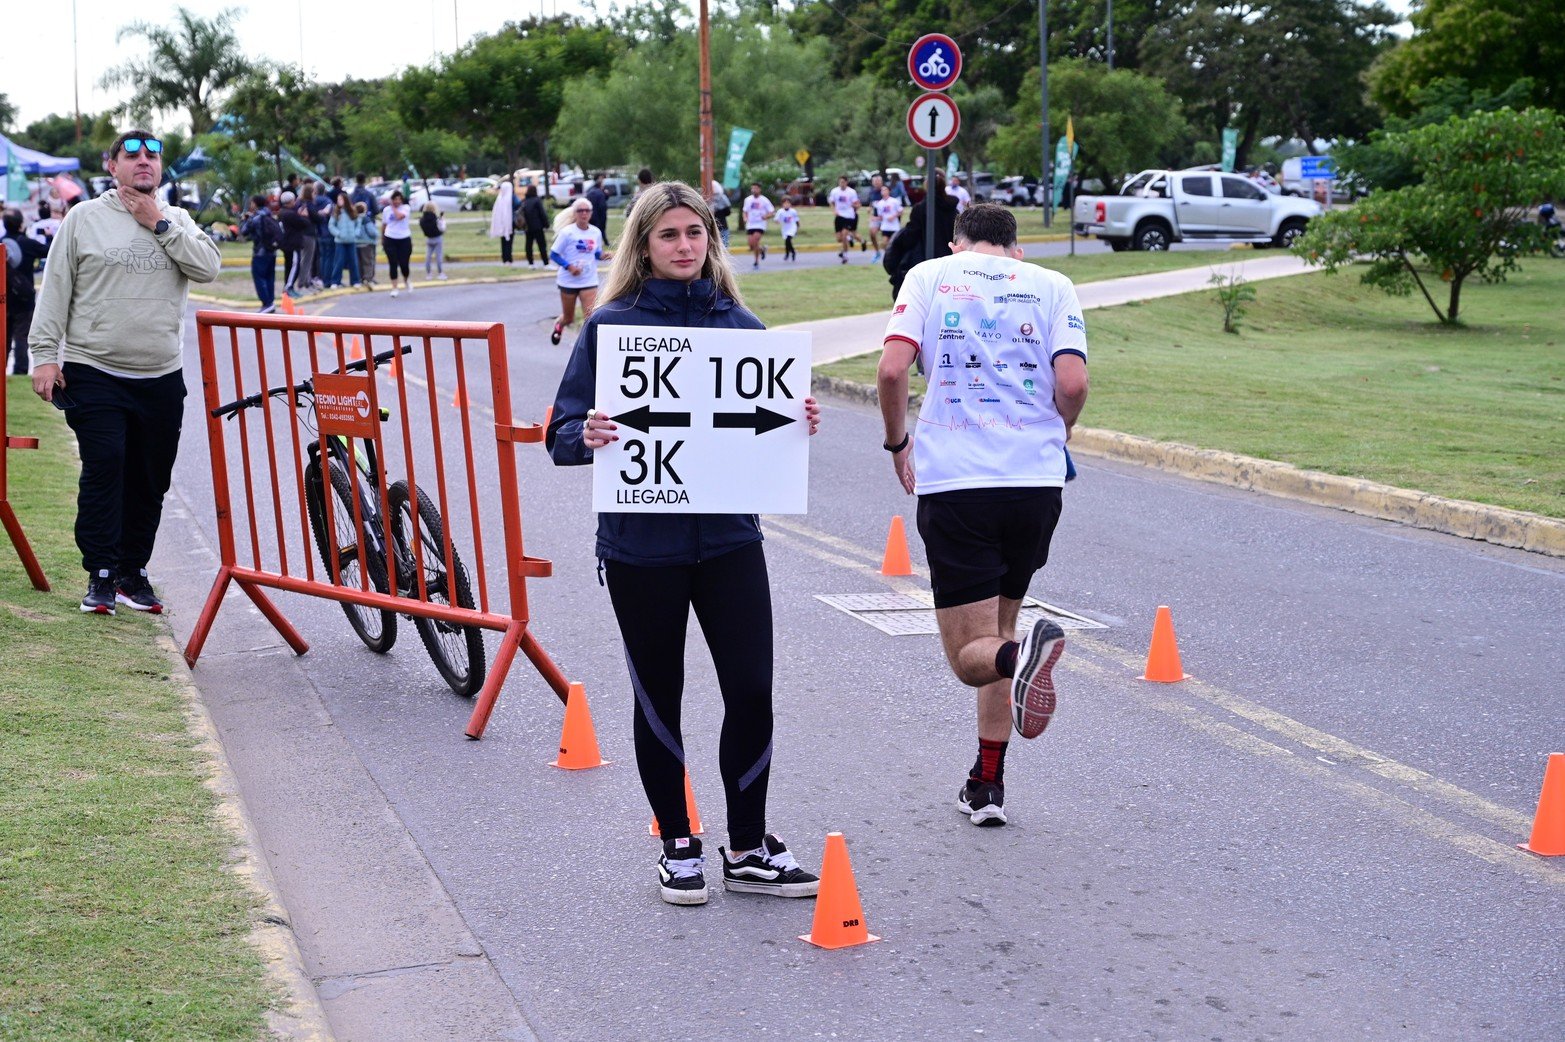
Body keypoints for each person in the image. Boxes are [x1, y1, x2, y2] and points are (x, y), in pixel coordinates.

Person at [545, 180, 823, 906]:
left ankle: (748, 848)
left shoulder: (743, 325)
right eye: (668, 234)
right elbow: (560, 433)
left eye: (694, 233)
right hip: (641, 550)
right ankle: (678, 845)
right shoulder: (610, 328)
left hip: (730, 542)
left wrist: (797, 421)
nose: (684, 246)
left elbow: (764, 426)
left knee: (752, 692)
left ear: (711, 239)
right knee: (658, 698)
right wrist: (585, 434)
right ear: (642, 245)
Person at [874, 203, 1089, 828]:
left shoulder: (929, 275)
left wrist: (897, 443)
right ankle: (986, 784)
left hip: (959, 483)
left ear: (956, 244)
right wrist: (1059, 430)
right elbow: (1073, 384)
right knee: (1000, 627)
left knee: (972, 654)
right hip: (1035, 485)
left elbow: (891, 368)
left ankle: (1022, 663)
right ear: (1016, 250)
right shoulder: (1053, 284)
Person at [28, 129, 221, 615]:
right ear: (112, 166)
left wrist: (159, 223)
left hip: (161, 374)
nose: (143, 161)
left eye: (152, 155)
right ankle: (101, 573)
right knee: (106, 466)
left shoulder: (177, 219)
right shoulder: (83, 218)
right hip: (94, 369)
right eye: (131, 154)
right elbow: (55, 289)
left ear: (161, 167)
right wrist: (44, 355)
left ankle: (132, 573)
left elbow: (208, 269)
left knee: (150, 479)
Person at [882, 172, 958, 302]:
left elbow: (910, 236)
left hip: (925, 262)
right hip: (948, 262)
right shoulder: (952, 209)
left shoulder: (921, 208)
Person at [547, 199, 610, 345]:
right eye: (580, 211)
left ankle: (585, 346)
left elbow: (596, 253)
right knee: (569, 318)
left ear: (591, 213)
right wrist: (569, 267)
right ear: (574, 213)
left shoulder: (595, 232)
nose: (584, 213)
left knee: (590, 316)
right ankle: (559, 325)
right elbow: (554, 254)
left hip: (589, 280)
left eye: (587, 210)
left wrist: (605, 255)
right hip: (568, 281)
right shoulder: (567, 233)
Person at [4, 209, 51, 374]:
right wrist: (48, 236)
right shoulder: (28, 244)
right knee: (22, 336)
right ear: (20, 225)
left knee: (4, 336)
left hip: (4, 298)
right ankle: (20, 370)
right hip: (24, 299)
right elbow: (50, 251)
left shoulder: (2, 243)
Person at [240, 193, 283, 313]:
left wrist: (245, 220)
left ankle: (266, 303)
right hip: (272, 251)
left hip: (260, 252)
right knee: (270, 277)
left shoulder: (255, 217)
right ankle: (270, 302)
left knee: (259, 277)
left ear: (255, 203)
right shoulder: (269, 214)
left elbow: (244, 231)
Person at [279, 189, 314, 297]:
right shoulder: (290, 214)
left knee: (289, 266)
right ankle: (289, 287)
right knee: (294, 266)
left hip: (286, 243)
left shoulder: (282, 212)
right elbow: (304, 224)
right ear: (291, 201)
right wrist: (304, 216)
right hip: (292, 244)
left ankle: (288, 286)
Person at [326, 192, 362, 289]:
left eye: (341, 199)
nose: (339, 201)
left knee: (353, 261)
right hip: (340, 241)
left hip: (351, 240)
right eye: (338, 200)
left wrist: (356, 233)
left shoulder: (352, 211)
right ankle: (335, 281)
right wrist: (338, 233)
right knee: (339, 262)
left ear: (345, 200)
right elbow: (331, 225)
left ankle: (355, 281)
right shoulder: (336, 212)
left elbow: (358, 224)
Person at [381, 190, 414, 296]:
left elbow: (400, 217)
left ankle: (406, 279)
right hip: (390, 238)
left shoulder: (406, 208)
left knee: (404, 264)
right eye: (395, 199)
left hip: (404, 238)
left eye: (399, 199)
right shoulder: (386, 210)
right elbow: (384, 224)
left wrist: (392, 207)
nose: (397, 201)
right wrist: (382, 238)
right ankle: (394, 287)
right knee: (393, 263)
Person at [828, 175, 862, 261]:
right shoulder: (834, 191)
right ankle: (849, 238)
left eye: (843, 182)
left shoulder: (851, 192)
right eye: (840, 182)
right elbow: (831, 202)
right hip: (839, 216)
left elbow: (857, 204)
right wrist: (834, 210)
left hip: (848, 216)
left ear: (846, 182)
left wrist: (854, 207)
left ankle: (845, 255)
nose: (841, 184)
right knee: (839, 239)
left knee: (843, 235)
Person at [740, 183, 774, 269]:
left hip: (760, 224)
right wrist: (745, 218)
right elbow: (745, 211)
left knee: (755, 241)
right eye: (752, 188)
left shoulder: (764, 200)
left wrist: (766, 216)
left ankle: (756, 262)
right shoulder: (748, 200)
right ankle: (762, 249)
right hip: (750, 224)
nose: (754, 190)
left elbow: (771, 212)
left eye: (755, 188)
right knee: (751, 245)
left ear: (759, 189)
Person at [871, 184, 903, 263]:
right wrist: (875, 218)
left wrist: (893, 216)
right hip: (885, 227)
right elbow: (881, 216)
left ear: (889, 191)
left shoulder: (894, 201)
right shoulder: (880, 203)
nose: (883, 192)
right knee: (884, 243)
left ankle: (897, 258)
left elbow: (900, 211)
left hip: (894, 227)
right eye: (882, 190)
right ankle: (889, 258)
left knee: (894, 244)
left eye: (885, 190)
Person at [491, 176, 516, 265]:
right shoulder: (512, 198)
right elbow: (519, 204)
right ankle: (508, 259)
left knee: (503, 241)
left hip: (502, 224)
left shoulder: (500, 198)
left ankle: (505, 259)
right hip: (510, 224)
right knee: (509, 242)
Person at [420, 201, 447, 280]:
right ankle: (440, 273)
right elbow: (442, 228)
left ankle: (429, 274)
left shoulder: (422, 219)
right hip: (437, 238)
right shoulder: (436, 219)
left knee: (428, 257)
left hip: (429, 239)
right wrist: (442, 220)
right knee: (438, 256)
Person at [585, 174, 610, 246]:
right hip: (599, 213)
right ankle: (604, 242)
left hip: (591, 213)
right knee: (601, 228)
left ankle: (592, 242)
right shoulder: (600, 192)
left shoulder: (590, 191)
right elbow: (603, 205)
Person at [708, 180, 731, 248]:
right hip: (721, 226)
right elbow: (728, 212)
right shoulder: (723, 198)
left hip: (717, 226)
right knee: (723, 247)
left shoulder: (706, 198)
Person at [775, 197, 800, 262]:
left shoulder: (793, 211)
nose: (786, 205)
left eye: (788, 203)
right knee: (787, 242)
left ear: (790, 204)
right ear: (782, 204)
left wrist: (797, 228)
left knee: (788, 240)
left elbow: (797, 221)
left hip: (792, 227)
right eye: (785, 203)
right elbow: (776, 219)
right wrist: (777, 221)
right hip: (785, 228)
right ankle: (792, 252)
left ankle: (788, 253)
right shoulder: (780, 211)